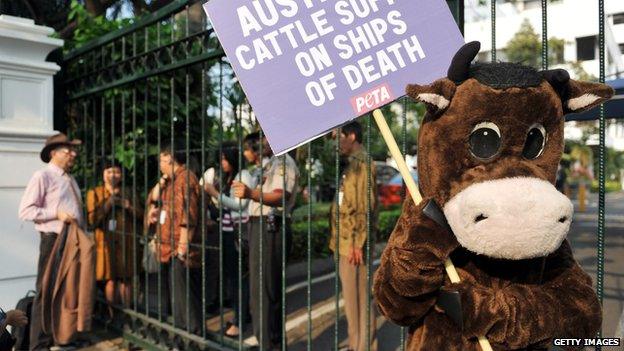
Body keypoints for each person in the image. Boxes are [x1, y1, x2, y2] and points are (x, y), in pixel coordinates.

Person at [232, 132, 299, 350]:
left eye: (264, 138)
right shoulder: (269, 164)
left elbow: (281, 195)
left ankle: (270, 344)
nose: (260, 144)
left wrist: (251, 193)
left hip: (270, 226)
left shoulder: (283, 162)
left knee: (265, 291)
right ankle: (267, 342)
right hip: (259, 226)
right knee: (260, 290)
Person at [18, 133, 83, 351]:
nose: (73, 154)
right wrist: (56, 213)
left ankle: (60, 336)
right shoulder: (42, 176)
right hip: (54, 240)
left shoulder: (68, 178)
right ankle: (39, 345)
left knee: (64, 291)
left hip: (70, 241)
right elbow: (26, 210)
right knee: (46, 292)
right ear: (54, 153)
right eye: (68, 150)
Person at [330, 121, 378, 351]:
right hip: (345, 242)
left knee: (361, 302)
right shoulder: (350, 164)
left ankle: (365, 347)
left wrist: (357, 243)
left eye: (338, 136)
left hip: (353, 245)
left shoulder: (362, 163)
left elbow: (364, 207)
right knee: (352, 303)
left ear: (351, 136)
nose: (335, 142)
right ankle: (355, 345)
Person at [146, 144, 202, 334]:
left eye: (161, 160)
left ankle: (192, 340)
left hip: (180, 250)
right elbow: (152, 198)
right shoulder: (171, 180)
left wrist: (182, 248)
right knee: (177, 301)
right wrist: (162, 180)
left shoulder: (185, 180)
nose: (159, 165)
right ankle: (181, 337)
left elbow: (189, 217)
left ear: (170, 158)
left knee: (185, 301)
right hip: (169, 249)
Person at [203, 142, 256, 337]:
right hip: (227, 232)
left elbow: (240, 206)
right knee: (232, 279)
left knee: (238, 280)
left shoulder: (242, 176)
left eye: (225, 158)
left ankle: (240, 322)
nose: (222, 162)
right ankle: (240, 316)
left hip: (237, 235)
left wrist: (215, 194)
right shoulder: (229, 177)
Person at [86, 161, 142, 320]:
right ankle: (113, 315)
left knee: (126, 279)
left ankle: (127, 314)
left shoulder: (129, 192)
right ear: (103, 174)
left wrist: (128, 206)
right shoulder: (95, 193)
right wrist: (108, 204)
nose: (113, 175)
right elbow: (92, 220)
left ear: (122, 175)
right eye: (109, 172)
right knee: (110, 280)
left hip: (127, 242)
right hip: (105, 244)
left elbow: (141, 215)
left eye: (116, 172)